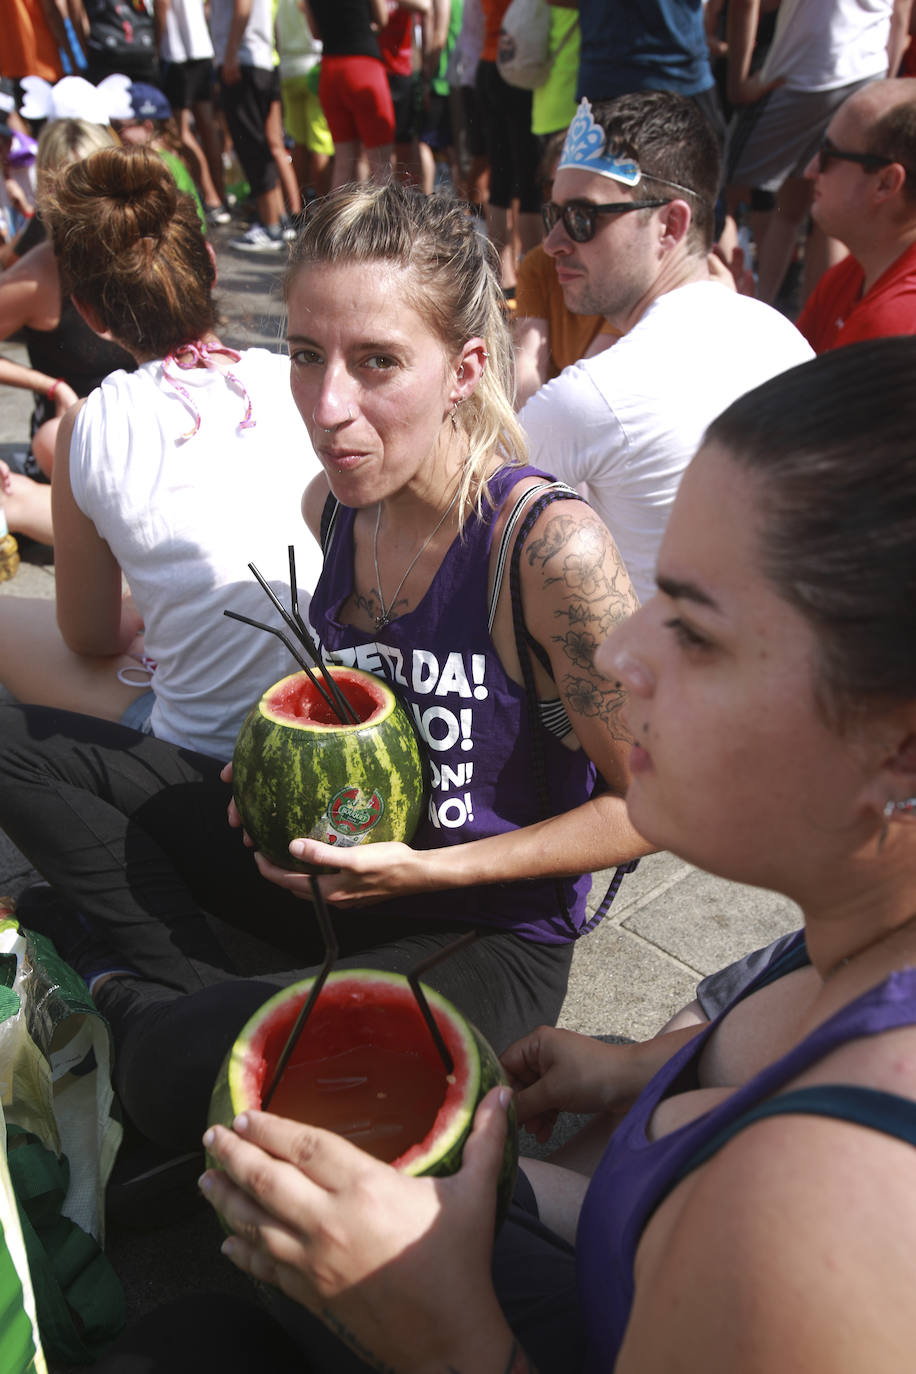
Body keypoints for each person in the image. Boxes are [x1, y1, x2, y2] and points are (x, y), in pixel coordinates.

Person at [198, 334, 916, 1374]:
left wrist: (444, 1336)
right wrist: (635, 1073)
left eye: (697, 632)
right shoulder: (839, 941)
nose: (621, 652)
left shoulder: (820, 1216)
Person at [0, 180, 647, 1162]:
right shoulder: (335, 507)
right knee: (20, 748)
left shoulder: (548, 550)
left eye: (377, 362)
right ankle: (209, 998)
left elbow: (657, 805)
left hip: (486, 927)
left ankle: (132, 990)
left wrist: (424, 867)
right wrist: (269, 780)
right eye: (306, 356)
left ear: (466, 367)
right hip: (341, 877)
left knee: (174, 1076)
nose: (328, 406)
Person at [0, 145, 320, 749]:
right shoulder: (298, 380)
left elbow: (91, 637)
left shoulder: (89, 425)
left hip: (204, 753)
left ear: (91, 314)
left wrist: (147, 613)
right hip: (339, 723)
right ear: (209, 262)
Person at [518, 92, 813, 604]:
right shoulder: (783, 336)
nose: (554, 242)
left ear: (670, 226)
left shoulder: (595, 398)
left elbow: (461, 529)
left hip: (651, 677)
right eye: (555, 213)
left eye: (584, 217)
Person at [0, 116, 134, 545]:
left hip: (145, 430)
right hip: (71, 438)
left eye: (96, 180)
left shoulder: (142, 250)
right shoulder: (40, 273)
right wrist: (51, 385)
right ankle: (20, 504)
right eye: (72, 185)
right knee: (55, 437)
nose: (88, 199)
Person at [724, 0, 910, 305]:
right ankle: (804, 328)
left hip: (800, 75)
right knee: (821, 210)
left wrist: (736, 83)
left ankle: (743, 313)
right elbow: (899, 18)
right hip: (866, 76)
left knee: (723, 200)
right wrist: (880, 101)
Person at [796, 77, 916, 352]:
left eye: (829, 153)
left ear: (884, 183)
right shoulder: (855, 272)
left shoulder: (894, 327)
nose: (811, 170)